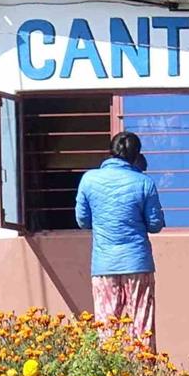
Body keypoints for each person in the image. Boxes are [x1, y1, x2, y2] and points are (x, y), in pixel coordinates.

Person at [75, 132, 165, 349]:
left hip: (104, 265)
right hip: (138, 263)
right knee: (142, 327)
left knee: (107, 329)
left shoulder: (89, 180)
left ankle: (110, 369)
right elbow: (155, 224)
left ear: (111, 151)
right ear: (136, 155)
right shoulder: (144, 183)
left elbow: (82, 221)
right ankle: (144, 371)